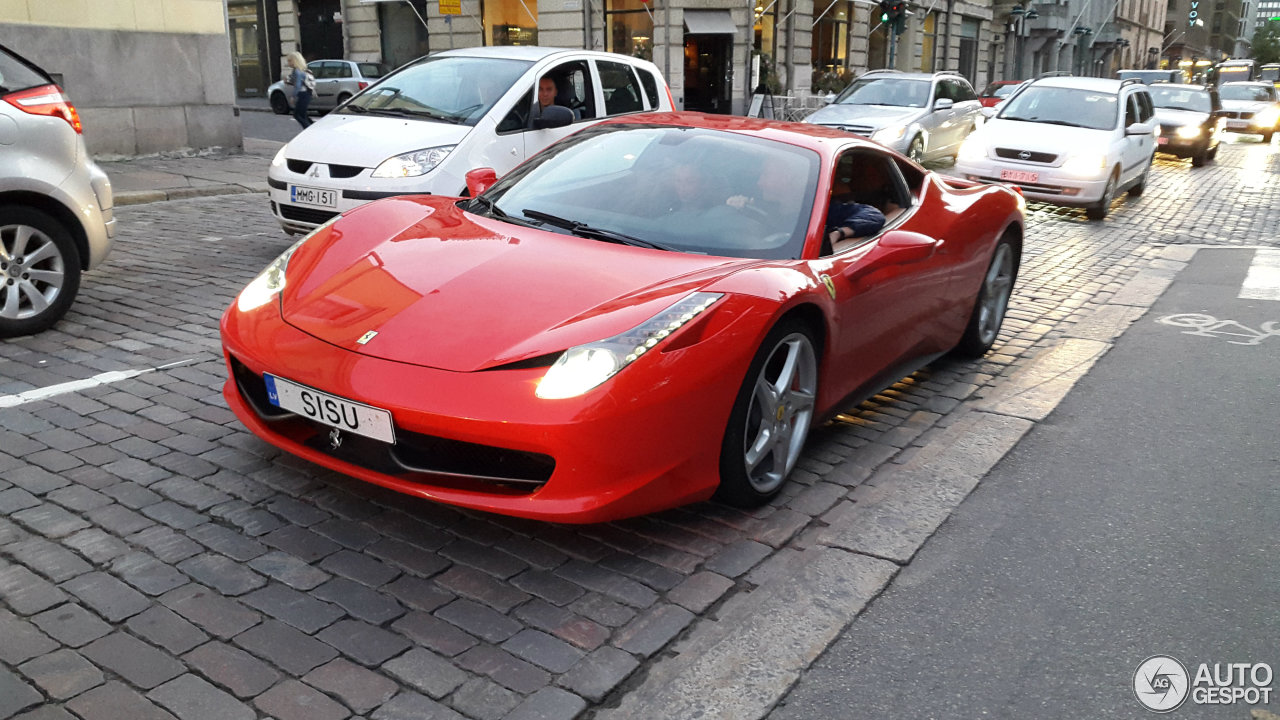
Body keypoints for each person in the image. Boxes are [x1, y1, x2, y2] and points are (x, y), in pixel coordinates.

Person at [286, 52, 314, 129]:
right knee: (303, 115)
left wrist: (293, 96)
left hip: (303, 95)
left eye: (289, 61)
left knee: (297, 115)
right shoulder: (302, 70)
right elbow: (299, 83)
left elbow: (298, 85)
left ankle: (309, 131)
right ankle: (313, 128)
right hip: (307, 94)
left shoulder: (297, 71)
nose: (288, 63)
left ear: (295, 61)